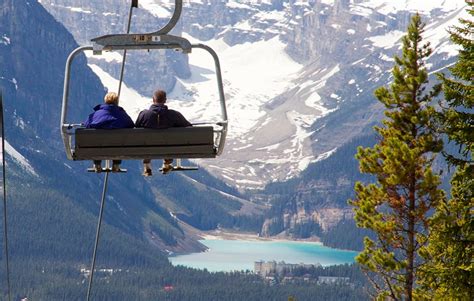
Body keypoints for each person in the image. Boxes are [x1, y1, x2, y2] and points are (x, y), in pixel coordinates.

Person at [135, 89, 192, 176]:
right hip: (168, 148)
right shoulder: (174, 115)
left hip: (147, 148)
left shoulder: (144, 114)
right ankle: (167, 163)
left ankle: (147, 165)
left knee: (147, 141)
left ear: (153, 100)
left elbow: (136, 128)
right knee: (169, 142)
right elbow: (189, 127)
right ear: (165, 100)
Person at [84, 91, 134, 172]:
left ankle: (97, 164)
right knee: (118, 142)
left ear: (105, 101)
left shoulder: (96, 114)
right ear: (117, 102)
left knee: (96, 142)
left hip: (98, 148)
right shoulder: (122, 115)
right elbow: (131, 125)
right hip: (117, 148)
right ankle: (116, 164)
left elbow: (86, 125)